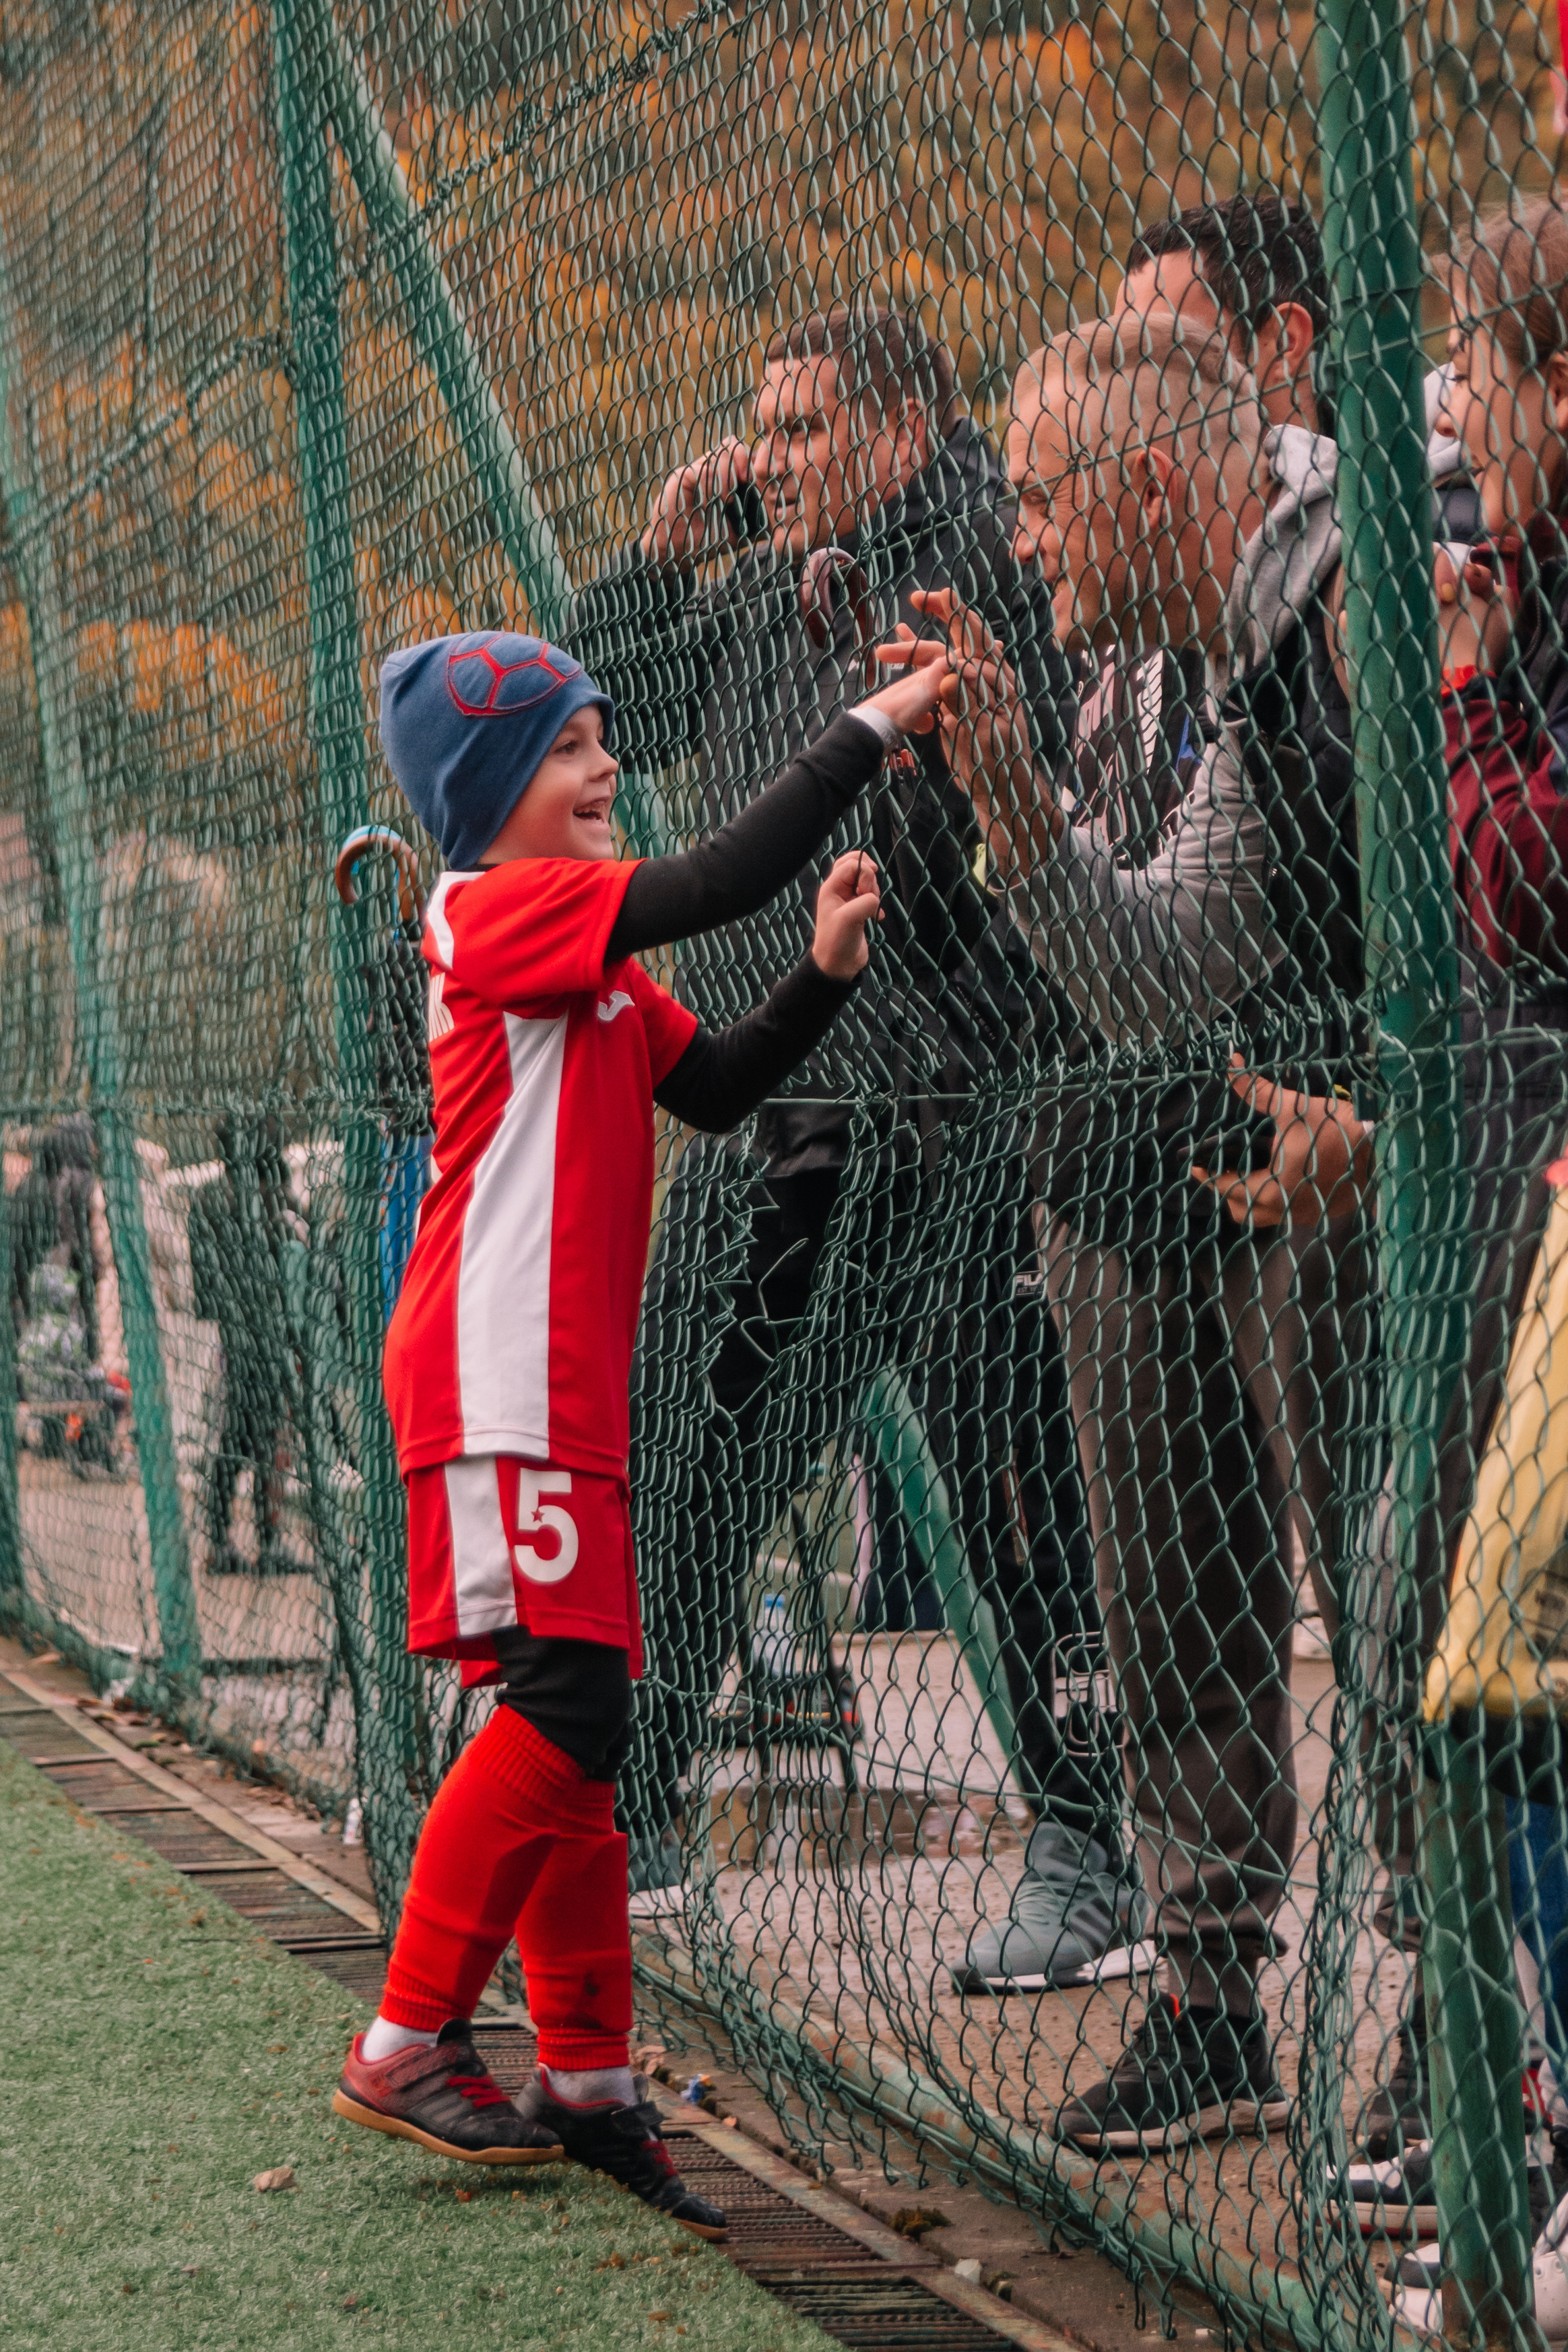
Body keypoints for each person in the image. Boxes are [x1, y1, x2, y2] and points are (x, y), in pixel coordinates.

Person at [329, 627, 946, 2233]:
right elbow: (723, 873)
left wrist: (818, 975)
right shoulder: (498, 910)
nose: (604, 768)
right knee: (568, 1701)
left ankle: (589, 2076)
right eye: (565, 750)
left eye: (602, 739)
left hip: (559, 1387)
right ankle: (406, 2037)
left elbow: (722, 1087)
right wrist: (865, 729)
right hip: (495, 1370)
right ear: (486, 793)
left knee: (588, 1717)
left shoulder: (584, 952)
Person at [573, 305, 1135, 1990]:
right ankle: (634, 1801)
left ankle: (1092, 1843)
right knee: (688, 1435)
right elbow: (630, 714)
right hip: (795, 1100)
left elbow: (1008, 791)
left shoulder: (977, 552)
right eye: (763, 425)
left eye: (806, 427)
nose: (769, 458)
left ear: (903, 425)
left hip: (967, 1104)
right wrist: (656, 570)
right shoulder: (777, 582)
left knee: (1014, 1481)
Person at [884, 294, 1390, 2148]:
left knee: (1410, 1588)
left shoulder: (1355, 586)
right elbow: (1172, 975)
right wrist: (1016, 800)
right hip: (1189, 1161)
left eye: (1037, 497)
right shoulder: (1220, 648)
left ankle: (1484, 2042)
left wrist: (1404, 1118)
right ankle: (1229, 2000)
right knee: (1197, 1596)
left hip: (1414, 1165)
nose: (1016, 540)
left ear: (1161, 483)